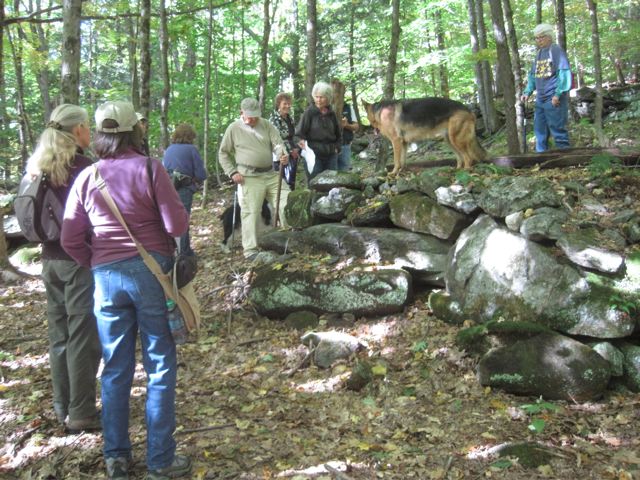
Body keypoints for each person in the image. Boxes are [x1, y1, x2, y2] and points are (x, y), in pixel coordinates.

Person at [61, 100, 191, 480]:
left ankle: (116, 457)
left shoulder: (88, 176)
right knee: (160, 365)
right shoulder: (151, 170)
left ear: (100, 135)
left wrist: (97, 261)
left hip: (107, 278)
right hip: (152, 274)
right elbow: (176, 224)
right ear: (136, 131)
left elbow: (70, 237)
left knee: (115, 368)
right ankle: (161, 461)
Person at [26, 104, 101, 433]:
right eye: (86, 126)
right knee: (83, 337)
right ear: (77, 131)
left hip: (49, 261)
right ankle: (82, 411)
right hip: (77, 261)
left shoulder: (37, 166)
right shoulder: (83, 167)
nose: (90, 132)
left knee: (60, 336)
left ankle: (62, 405)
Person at [218, 97, 290, 260]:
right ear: (241, 112)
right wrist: (232, 172)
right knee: (250, 212)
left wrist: (282, 154)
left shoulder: (266, 124)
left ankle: (288, 240)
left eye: (255, 115)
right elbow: (223, 153)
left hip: (270, 174)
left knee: (286, 202)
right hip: (248, 177)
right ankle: (250, 250)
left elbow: (277, 144)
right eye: (249, 115)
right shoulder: (234, 128)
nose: (252, 119)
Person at [521, 23, 571, 152]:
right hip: (540, 100)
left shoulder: (555, 51)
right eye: (537, 38)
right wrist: (527, 91)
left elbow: (564, 73)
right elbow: (533, 76)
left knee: (558, 131)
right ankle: (541, 161)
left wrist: (558, 94)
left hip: (553, 99)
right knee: (540, 132)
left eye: (541, 37)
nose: (539, 40)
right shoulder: (539, 53)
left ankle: (566, 159)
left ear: (549, 37)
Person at [162, 123, 208, 257]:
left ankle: (177, 250)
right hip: (184, 189)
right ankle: (184, 253)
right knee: (183, 221)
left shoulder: (169, 149)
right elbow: (201, 174)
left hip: (168, 188)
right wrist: (196, 182)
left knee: (172, 220)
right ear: (189, 136)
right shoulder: (191, 149)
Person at [295, 81, 342, 179]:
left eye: (321, 97)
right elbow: (299, 134)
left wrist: (337, 147)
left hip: (331, 154)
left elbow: (338, 134)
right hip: (314, 155)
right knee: (315, 185)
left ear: (328, 98)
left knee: (332, 184)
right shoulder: (309, 113)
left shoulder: (331, 114)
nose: (319, 100)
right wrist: (301, 142)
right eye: (316, 97)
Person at [269, 92, 301, 189]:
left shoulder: (289, 118)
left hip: (293, 154)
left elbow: (293, 135)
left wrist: (296, 148)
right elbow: (277, 140)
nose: (287, 106)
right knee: (281, 183)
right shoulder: (273, 120)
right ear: (279, 104)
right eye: (285, 104)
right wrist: (290, 150)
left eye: (289, 104)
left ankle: (290, 202)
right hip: (280, 156)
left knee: (291, 182)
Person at [338, 101, 359, 171]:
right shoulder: (325, 106)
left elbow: (356, 127)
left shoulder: (348, 107)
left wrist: (347, 125)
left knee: (344, 172)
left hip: (345, 145)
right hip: (329, 147)